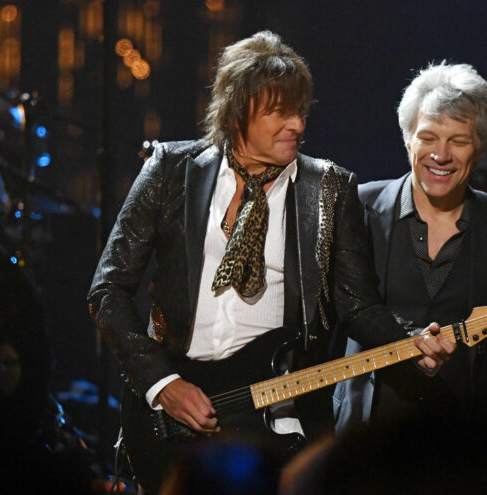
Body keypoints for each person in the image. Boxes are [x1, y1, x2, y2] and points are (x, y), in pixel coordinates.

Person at [87, 31, 443, 495]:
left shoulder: (330, 189)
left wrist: (413, 349)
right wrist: (162, 383)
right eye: (279, 111)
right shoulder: (170, 169)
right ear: (237, 111)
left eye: (301, 111)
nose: (296, 123)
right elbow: (107, 290)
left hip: (278, 411)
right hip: (170, 413)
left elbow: (359, 307)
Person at [333, 61, 487, 437]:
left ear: (479, 147)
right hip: (368, 436)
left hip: (465, 440)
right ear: (408, 138)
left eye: (458, 141)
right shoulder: (357, 207)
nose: (440, 155)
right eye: (428, 138)